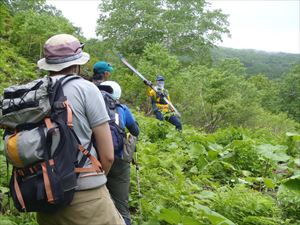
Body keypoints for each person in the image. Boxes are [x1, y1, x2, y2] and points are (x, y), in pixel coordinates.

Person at [36, 34, 125, 225]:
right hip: (85, 195)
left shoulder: (35, 91)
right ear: (77, 63)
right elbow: (108, 155)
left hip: (43, 193)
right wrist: (97, 180)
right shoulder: (86, 88)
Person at [97, 81, 139, 225]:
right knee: (121, 205)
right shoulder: (122, 109)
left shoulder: (91, 107)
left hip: (93, 160)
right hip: (119, 160)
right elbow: (135, 131)